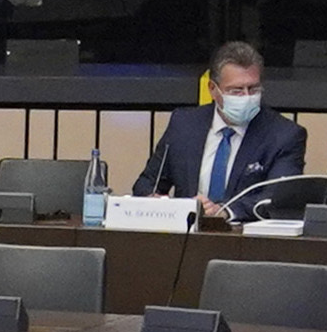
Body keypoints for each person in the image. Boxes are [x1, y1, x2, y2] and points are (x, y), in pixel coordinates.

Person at [132, 42, 310, 225]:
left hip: (245, 241)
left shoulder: (285, 135)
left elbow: (277, 198)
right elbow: (146, 183)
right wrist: (159, 202)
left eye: (253, 89)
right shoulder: (183, 124)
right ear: (212, 89)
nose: (247, 97)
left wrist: (225, 211)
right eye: (236, 90)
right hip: (186, 238)